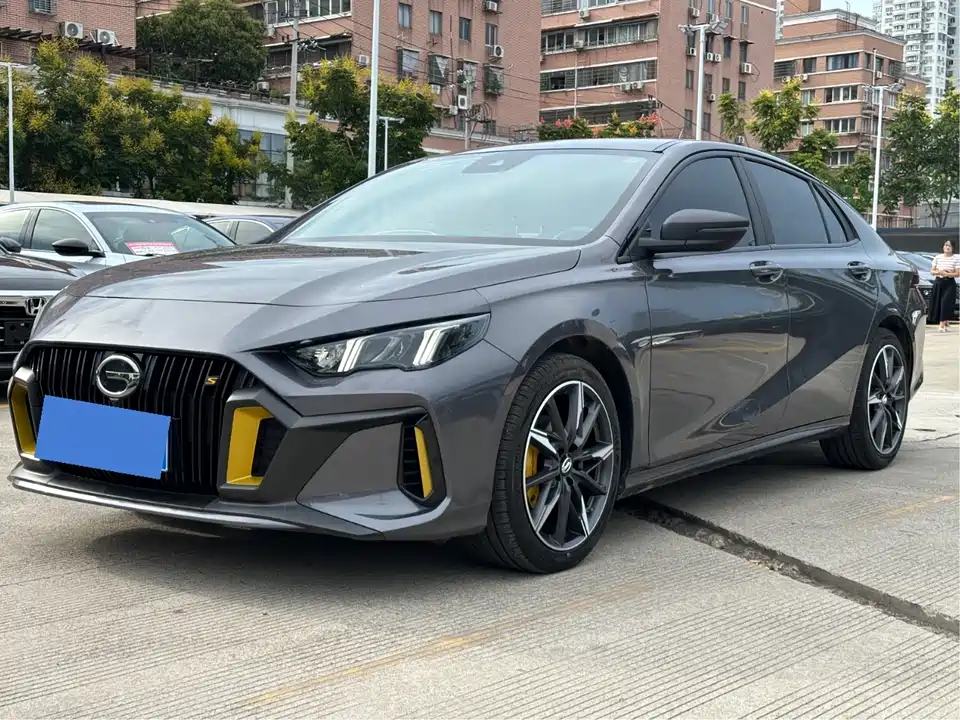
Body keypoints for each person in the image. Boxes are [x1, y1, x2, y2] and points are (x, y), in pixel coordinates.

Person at [928, 239, 959, 332]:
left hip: (949, 282)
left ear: (953, 248)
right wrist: (939, 272)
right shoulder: (938, 257)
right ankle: (944, 322)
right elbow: (932, 271)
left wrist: (948, 274)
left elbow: (958, 273)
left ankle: (941, 325)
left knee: (946, 303)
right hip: (938, 281)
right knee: (938, 303)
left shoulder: (956, 258)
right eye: (946, 245)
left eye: (949, 246)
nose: (947, 247)